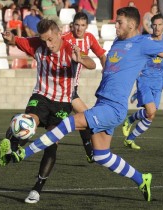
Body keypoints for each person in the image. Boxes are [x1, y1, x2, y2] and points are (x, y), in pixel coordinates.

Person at [0, 7, 163, 202]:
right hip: (102, 103)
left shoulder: (144, 43)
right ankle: (142, 179)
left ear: (132, 25)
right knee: (101, 155)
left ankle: (22, 154)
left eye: (119, 22)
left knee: (67, 124)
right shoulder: (118, 41)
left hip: (113, 108)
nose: (116, 26)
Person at [0, 18, 96, 204]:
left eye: (50, 39)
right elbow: (13, 40)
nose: (48, 44)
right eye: (44, 40)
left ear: (59, 33)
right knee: (29, 121)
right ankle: (13, 145)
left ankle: (37, 188)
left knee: (51, 143)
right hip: (41, 96)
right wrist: (7, 37)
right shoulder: (36, 44)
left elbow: (92, 64)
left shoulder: (70, 49)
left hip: (62, 103)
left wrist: (81, 59)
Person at [122, 14, 163, 150]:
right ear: (151, 25)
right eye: (154, 25)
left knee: (151, 115)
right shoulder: (144, 39)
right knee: (150, 110)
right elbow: (132, 53)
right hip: (144, 80)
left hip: (158, 82)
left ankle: (130, 137)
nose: (157, 27)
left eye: (160, 25)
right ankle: (129, 120)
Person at [63, 11, 106, 162]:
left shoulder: (89, 38)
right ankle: (91, 152)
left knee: (85, 119)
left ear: (87, 26)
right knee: (85, 118)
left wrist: (106, 72)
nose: (79, 29)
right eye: (77, 25)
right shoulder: (65, 39)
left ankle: (90, 153)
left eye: (82, 25)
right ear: (72, 26)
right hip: (63, 87)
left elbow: (101, 55)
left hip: (72, 88)